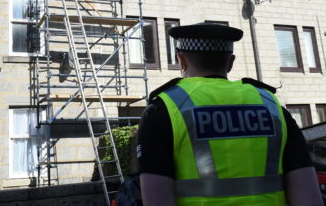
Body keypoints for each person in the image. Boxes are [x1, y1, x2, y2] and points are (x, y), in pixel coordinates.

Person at [137, 22, 322, 206]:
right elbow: (308, 194)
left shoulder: (162, 110)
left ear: (181, 60)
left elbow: (156, 198)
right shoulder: (271, 106)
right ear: (231, 62)